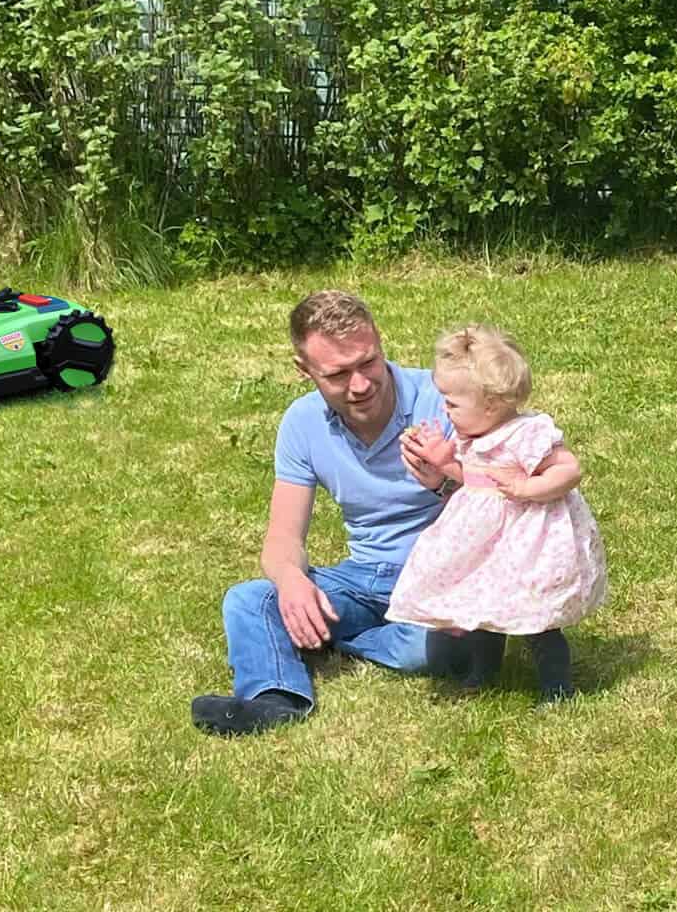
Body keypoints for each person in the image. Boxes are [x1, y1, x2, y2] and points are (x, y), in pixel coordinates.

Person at [191, 289, 464, 736]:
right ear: (305, 371)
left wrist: (447, 479)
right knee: (250, 599)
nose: (360, 384)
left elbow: (503, 503)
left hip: (442, 575)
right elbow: (283, 537)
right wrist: (291, 580)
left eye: (368, 363)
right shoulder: (302, 423)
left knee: (441, 649)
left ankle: (341, 640)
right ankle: (274, 698)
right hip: (365, 576)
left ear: (380, 342)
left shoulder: (443, 401)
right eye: (338, 374)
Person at [385, 323, 607, 703]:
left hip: (527, 542)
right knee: (482, 610)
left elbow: (569, 469)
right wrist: (442, 461)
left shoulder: (526, 434)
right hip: (487, 546)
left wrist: (526, 488)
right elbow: (473, 479)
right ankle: (482, 672)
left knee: (538, 619)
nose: (445, 410)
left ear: (490, 404)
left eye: (452, 403)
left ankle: (557, 686)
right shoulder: (470, 437)